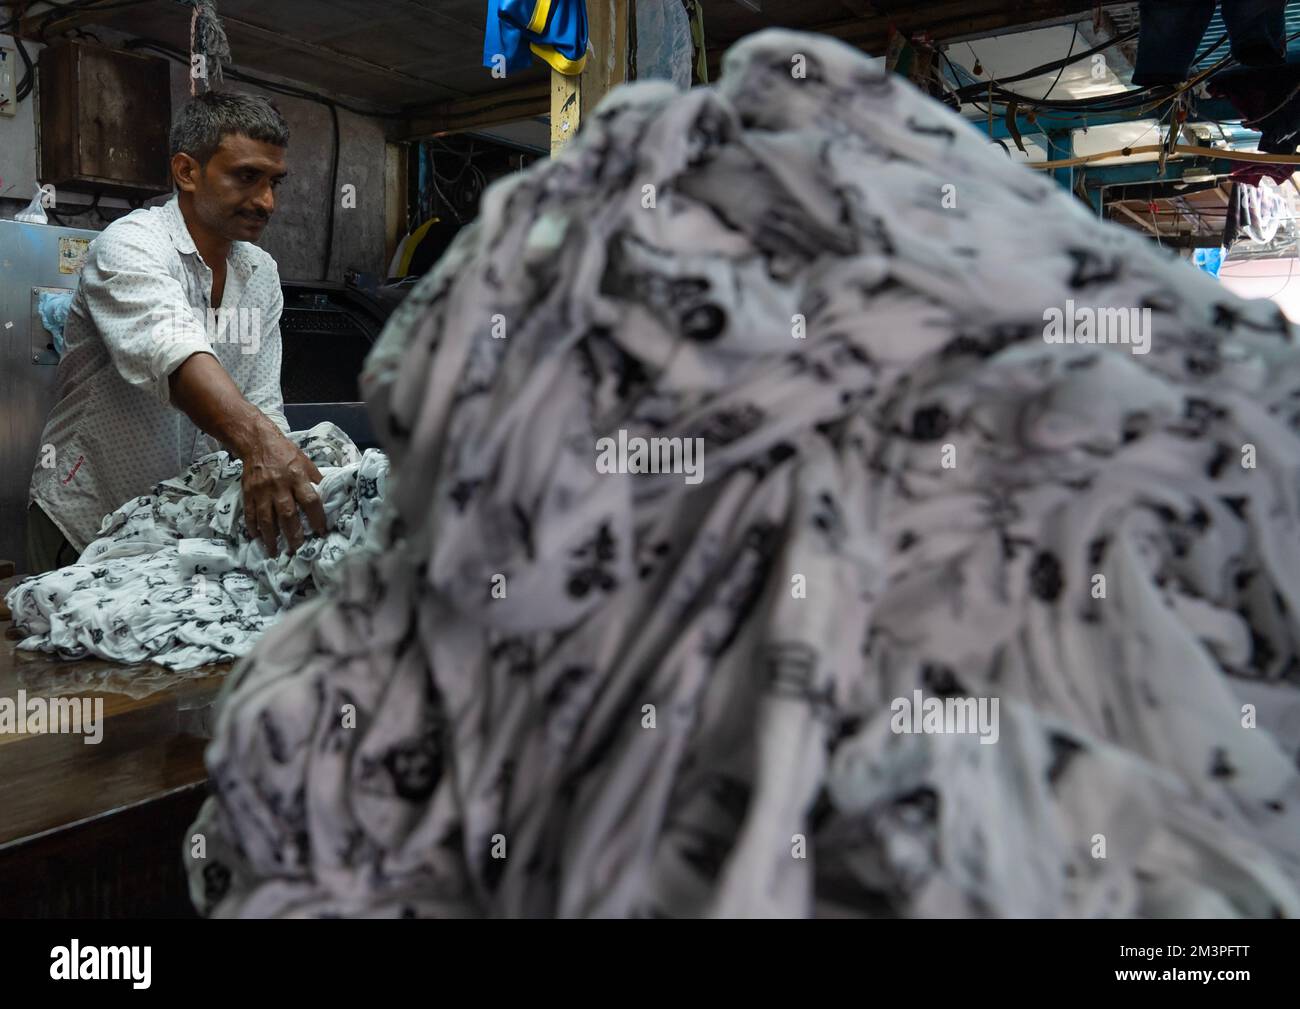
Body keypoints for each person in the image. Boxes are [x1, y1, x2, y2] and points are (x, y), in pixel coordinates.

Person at [25, 91, 326, 574]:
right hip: (88, 519)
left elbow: (262, 402)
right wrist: (261, 446)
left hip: (181, 530)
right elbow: (175, 353)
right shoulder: (129, 245)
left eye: (275, 182)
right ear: (187, 172)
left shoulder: (261, 273)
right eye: (246, 176)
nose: (266, 201)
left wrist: (295, 476)